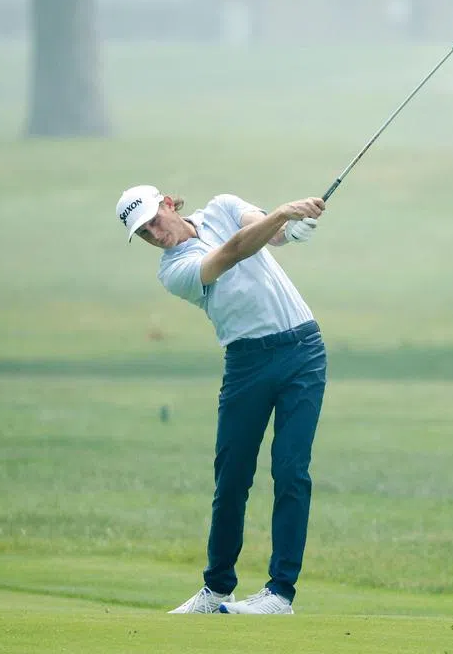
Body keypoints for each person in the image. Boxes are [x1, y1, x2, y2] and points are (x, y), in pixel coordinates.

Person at [115, 184, 327, 615]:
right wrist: (283, 212)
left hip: (303, 351)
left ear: (169, 203)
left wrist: (294, 225)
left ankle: (279, 594)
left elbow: (271, 235)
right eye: (143, 233)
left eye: (154, 220)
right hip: (246, 363)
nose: (155, 234)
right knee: (231, 477)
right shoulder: (172, 270)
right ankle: (216, 590)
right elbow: (231, 253)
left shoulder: (224, 207)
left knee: (290, 470)